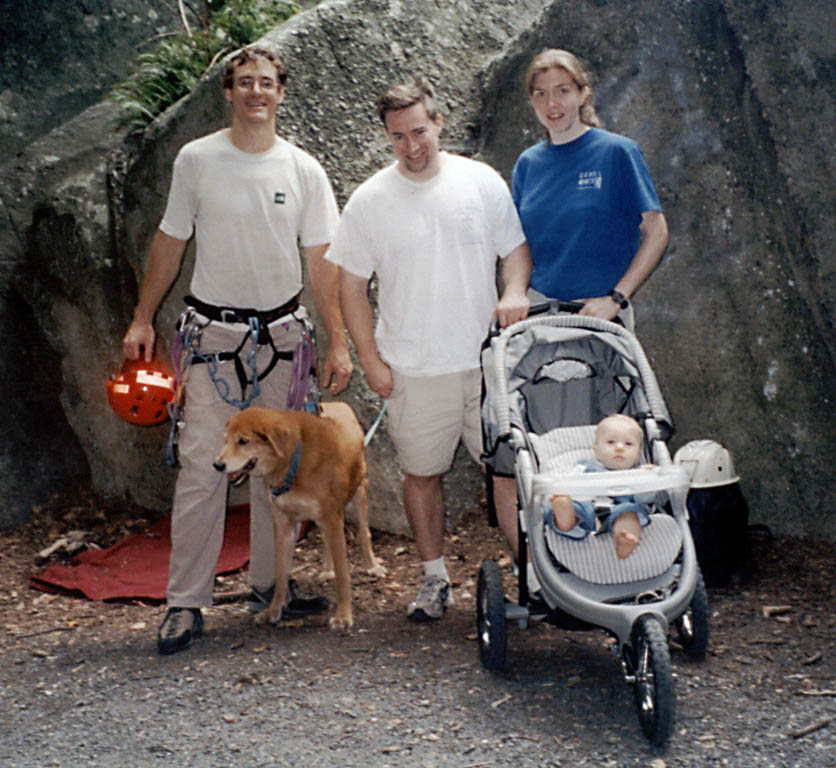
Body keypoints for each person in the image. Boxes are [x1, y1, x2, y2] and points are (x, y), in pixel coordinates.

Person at [122, 47, 353, 655]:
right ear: (228, 91)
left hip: (282, 338)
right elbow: (171, 240)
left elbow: (321, 261)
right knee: (204, 466)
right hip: (214, 339)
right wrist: (142, 318)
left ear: (282, 92)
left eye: (267, 83)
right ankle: (185, 601)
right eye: (245, 82)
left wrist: (337, 338)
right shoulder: (197, 160)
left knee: (275, 468)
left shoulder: (304, 170)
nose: (257, 91)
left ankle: (270, 584)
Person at [326, 77, 531, 622]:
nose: (412, 145)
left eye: (419, 130)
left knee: (510, 474)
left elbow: (516, 252)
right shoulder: (370, 200)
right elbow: (349, 287)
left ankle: (534, 578)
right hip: (414, 369)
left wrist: (513, 291)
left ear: (438, 122)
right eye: (398, 136)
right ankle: (434, 579)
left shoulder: (481, 181)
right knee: (421, 474)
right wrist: (370, 361)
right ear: (387, 138)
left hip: (488, 364)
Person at [492, 49, 669, 582]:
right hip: (541, 323)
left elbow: (655, 231)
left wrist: (616, 297)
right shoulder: (528, 164)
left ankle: (625, 552)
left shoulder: (617, 153)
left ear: (582, 93)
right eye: (541, 93)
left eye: (562, 90)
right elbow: (516, 246)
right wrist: (515, 292)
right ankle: (548, 566)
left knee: (618, 439)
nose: (552, 103)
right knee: (533, 447)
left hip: (603, 323)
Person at [547, 414, 656, 559]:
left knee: (630, 513)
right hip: (585, 505)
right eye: (611, 442)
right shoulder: (586, 466)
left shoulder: (635, 475)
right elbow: (569, 482)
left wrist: (648, 480)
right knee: (566, 505)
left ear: (637, 455)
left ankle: (625, 538)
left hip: (618, 509)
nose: (619, 448)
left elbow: (645, 498)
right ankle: (566, 518)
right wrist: (564, 494)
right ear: (596, 450)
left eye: (628, 444)